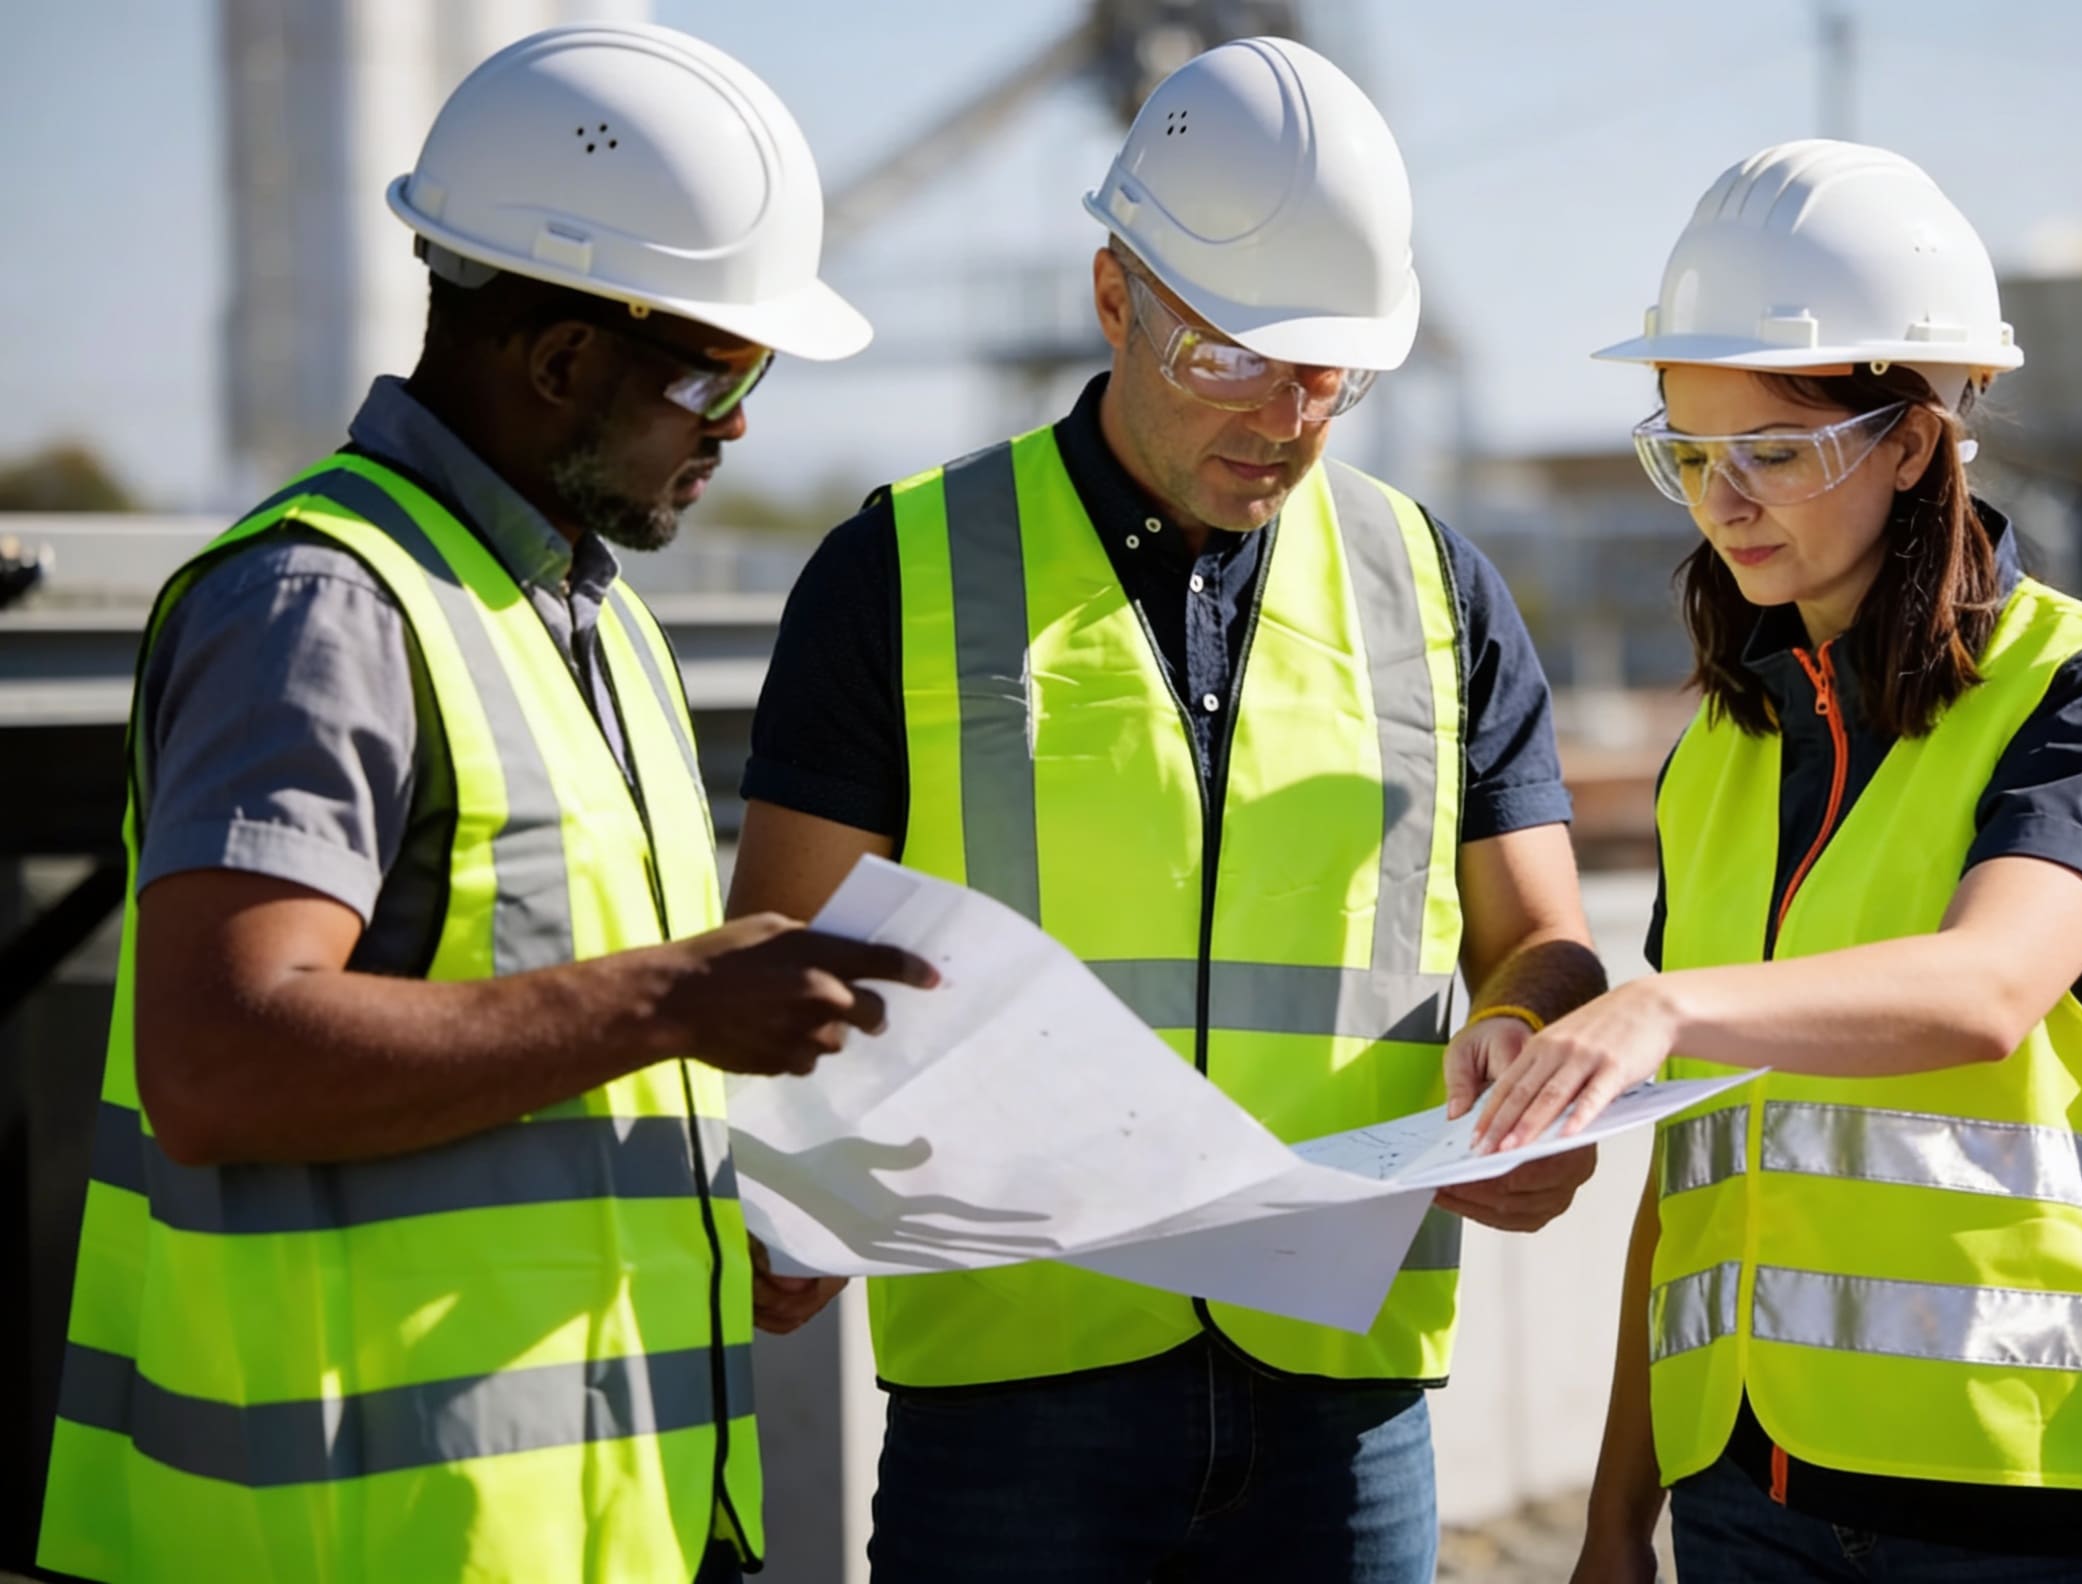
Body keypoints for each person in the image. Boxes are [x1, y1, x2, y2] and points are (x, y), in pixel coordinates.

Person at [35, 24, 935, 1584]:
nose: (739, 425)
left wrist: (722, 1204)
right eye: (718, 370)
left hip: (605, 1526)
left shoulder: (592, 621)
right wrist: (674, 1001)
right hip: (359, 1539)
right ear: (564, 358)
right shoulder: (323, 606)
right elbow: (218, 1059)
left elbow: (558, 1059)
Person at [729, 34, 1609, 1584]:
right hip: (1013, 1400)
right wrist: (790, 1181)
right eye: (1232, 358)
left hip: (1343, 1403)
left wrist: (1533, 1053)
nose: (1283, 415)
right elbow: (778, 951)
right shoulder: (900, 573)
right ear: (1115, 298)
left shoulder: (1434, 588)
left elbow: (1537, 934)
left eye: (1328, 370)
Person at [1466, 141, 2082, 1583]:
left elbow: (1985, 989)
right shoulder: (1719, 757)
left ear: (1914, 442)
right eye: (1692, 454)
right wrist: (1615, 1523)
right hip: (1748, 1511)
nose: (1725, 503)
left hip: (2041, 1519)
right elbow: (1697, 1177)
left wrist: (1658, 1007)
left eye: (1773, 452)